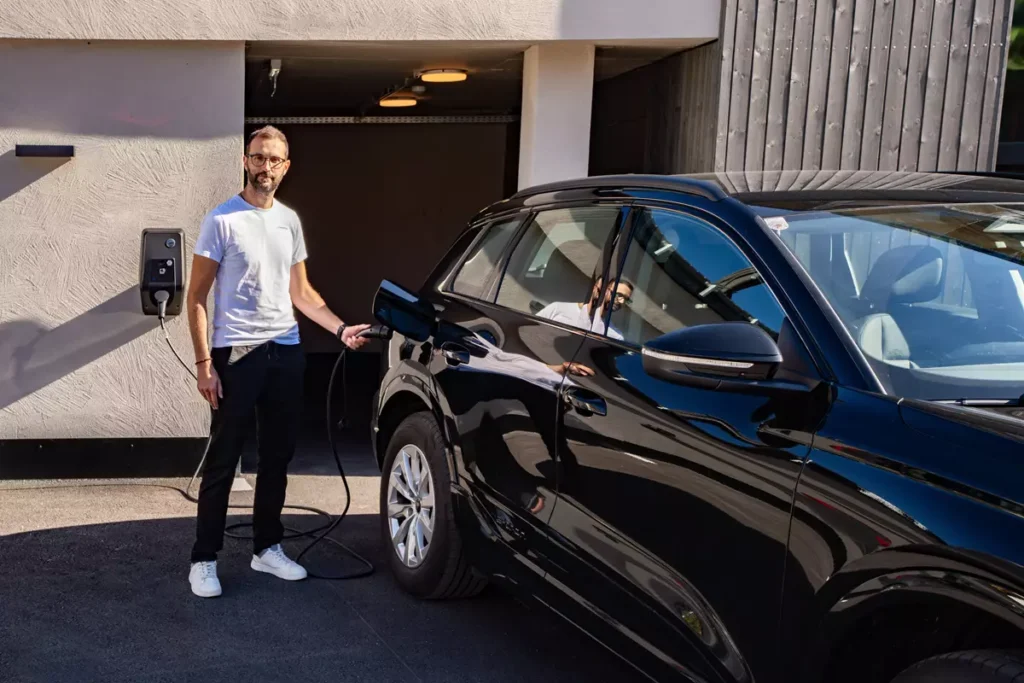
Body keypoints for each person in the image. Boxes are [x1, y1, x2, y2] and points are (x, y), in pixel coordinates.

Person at [184, 125, 371, 598]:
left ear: (286, 167)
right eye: (257, 157)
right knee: (225, 459)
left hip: (285, 353)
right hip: (237, 355)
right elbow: (197, 298)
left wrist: (339, 328)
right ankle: (203, 559)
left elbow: (301, 293)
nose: (265, 166)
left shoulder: (288, 220)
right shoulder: (221, 221)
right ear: (245, 161)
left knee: (277, 458)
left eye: (274, 160)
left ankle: (267, 548)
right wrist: (205, 363)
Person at [535, 276, 633, 341]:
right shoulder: (557, 309)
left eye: (626, 299)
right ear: (599, 289)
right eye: (618, 295)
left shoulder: (615, 336)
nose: (622, 302)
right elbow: (530, 333)